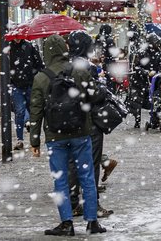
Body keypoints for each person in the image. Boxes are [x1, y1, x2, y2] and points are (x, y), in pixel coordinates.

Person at [29, 34, 107, 236]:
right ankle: (92, 222)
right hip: (81, 131)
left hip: (56, 135)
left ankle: (66, 223)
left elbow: (36, 111)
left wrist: (34, 140)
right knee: (87, 176)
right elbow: (97, 94)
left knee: (61, 180)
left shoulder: (41, 77)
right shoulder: (79, 70)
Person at [65, 31, 113, 219]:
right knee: (91, 164)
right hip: (88, 120)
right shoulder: (83, 66)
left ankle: (74, 201)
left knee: (72, 163)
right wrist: (101, 86)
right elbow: (94, 94)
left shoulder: (64, 65)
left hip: (68, 121)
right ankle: (90, 205)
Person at [9, 38, 44, 150]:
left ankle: (34, 138)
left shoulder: (30, 46)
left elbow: (38, 63)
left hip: (30, 84)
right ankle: (20, 140)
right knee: (19, 112)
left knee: (33, 111)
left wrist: (34, 74)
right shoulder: (9, 48)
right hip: (16, 84)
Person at [127, 24, 150, 128]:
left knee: (137, 99)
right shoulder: (137, 46)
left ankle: (138, 119)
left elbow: (136, 63)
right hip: (138, 77)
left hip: (138, 77)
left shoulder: (135, 47)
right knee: (137, 99)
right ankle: (138, 119)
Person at [94, 24, 117, 92]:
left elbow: (96, 50)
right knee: (110, 82)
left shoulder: (98, 38)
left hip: (98, 62)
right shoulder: (109, 40)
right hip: (109, 64)